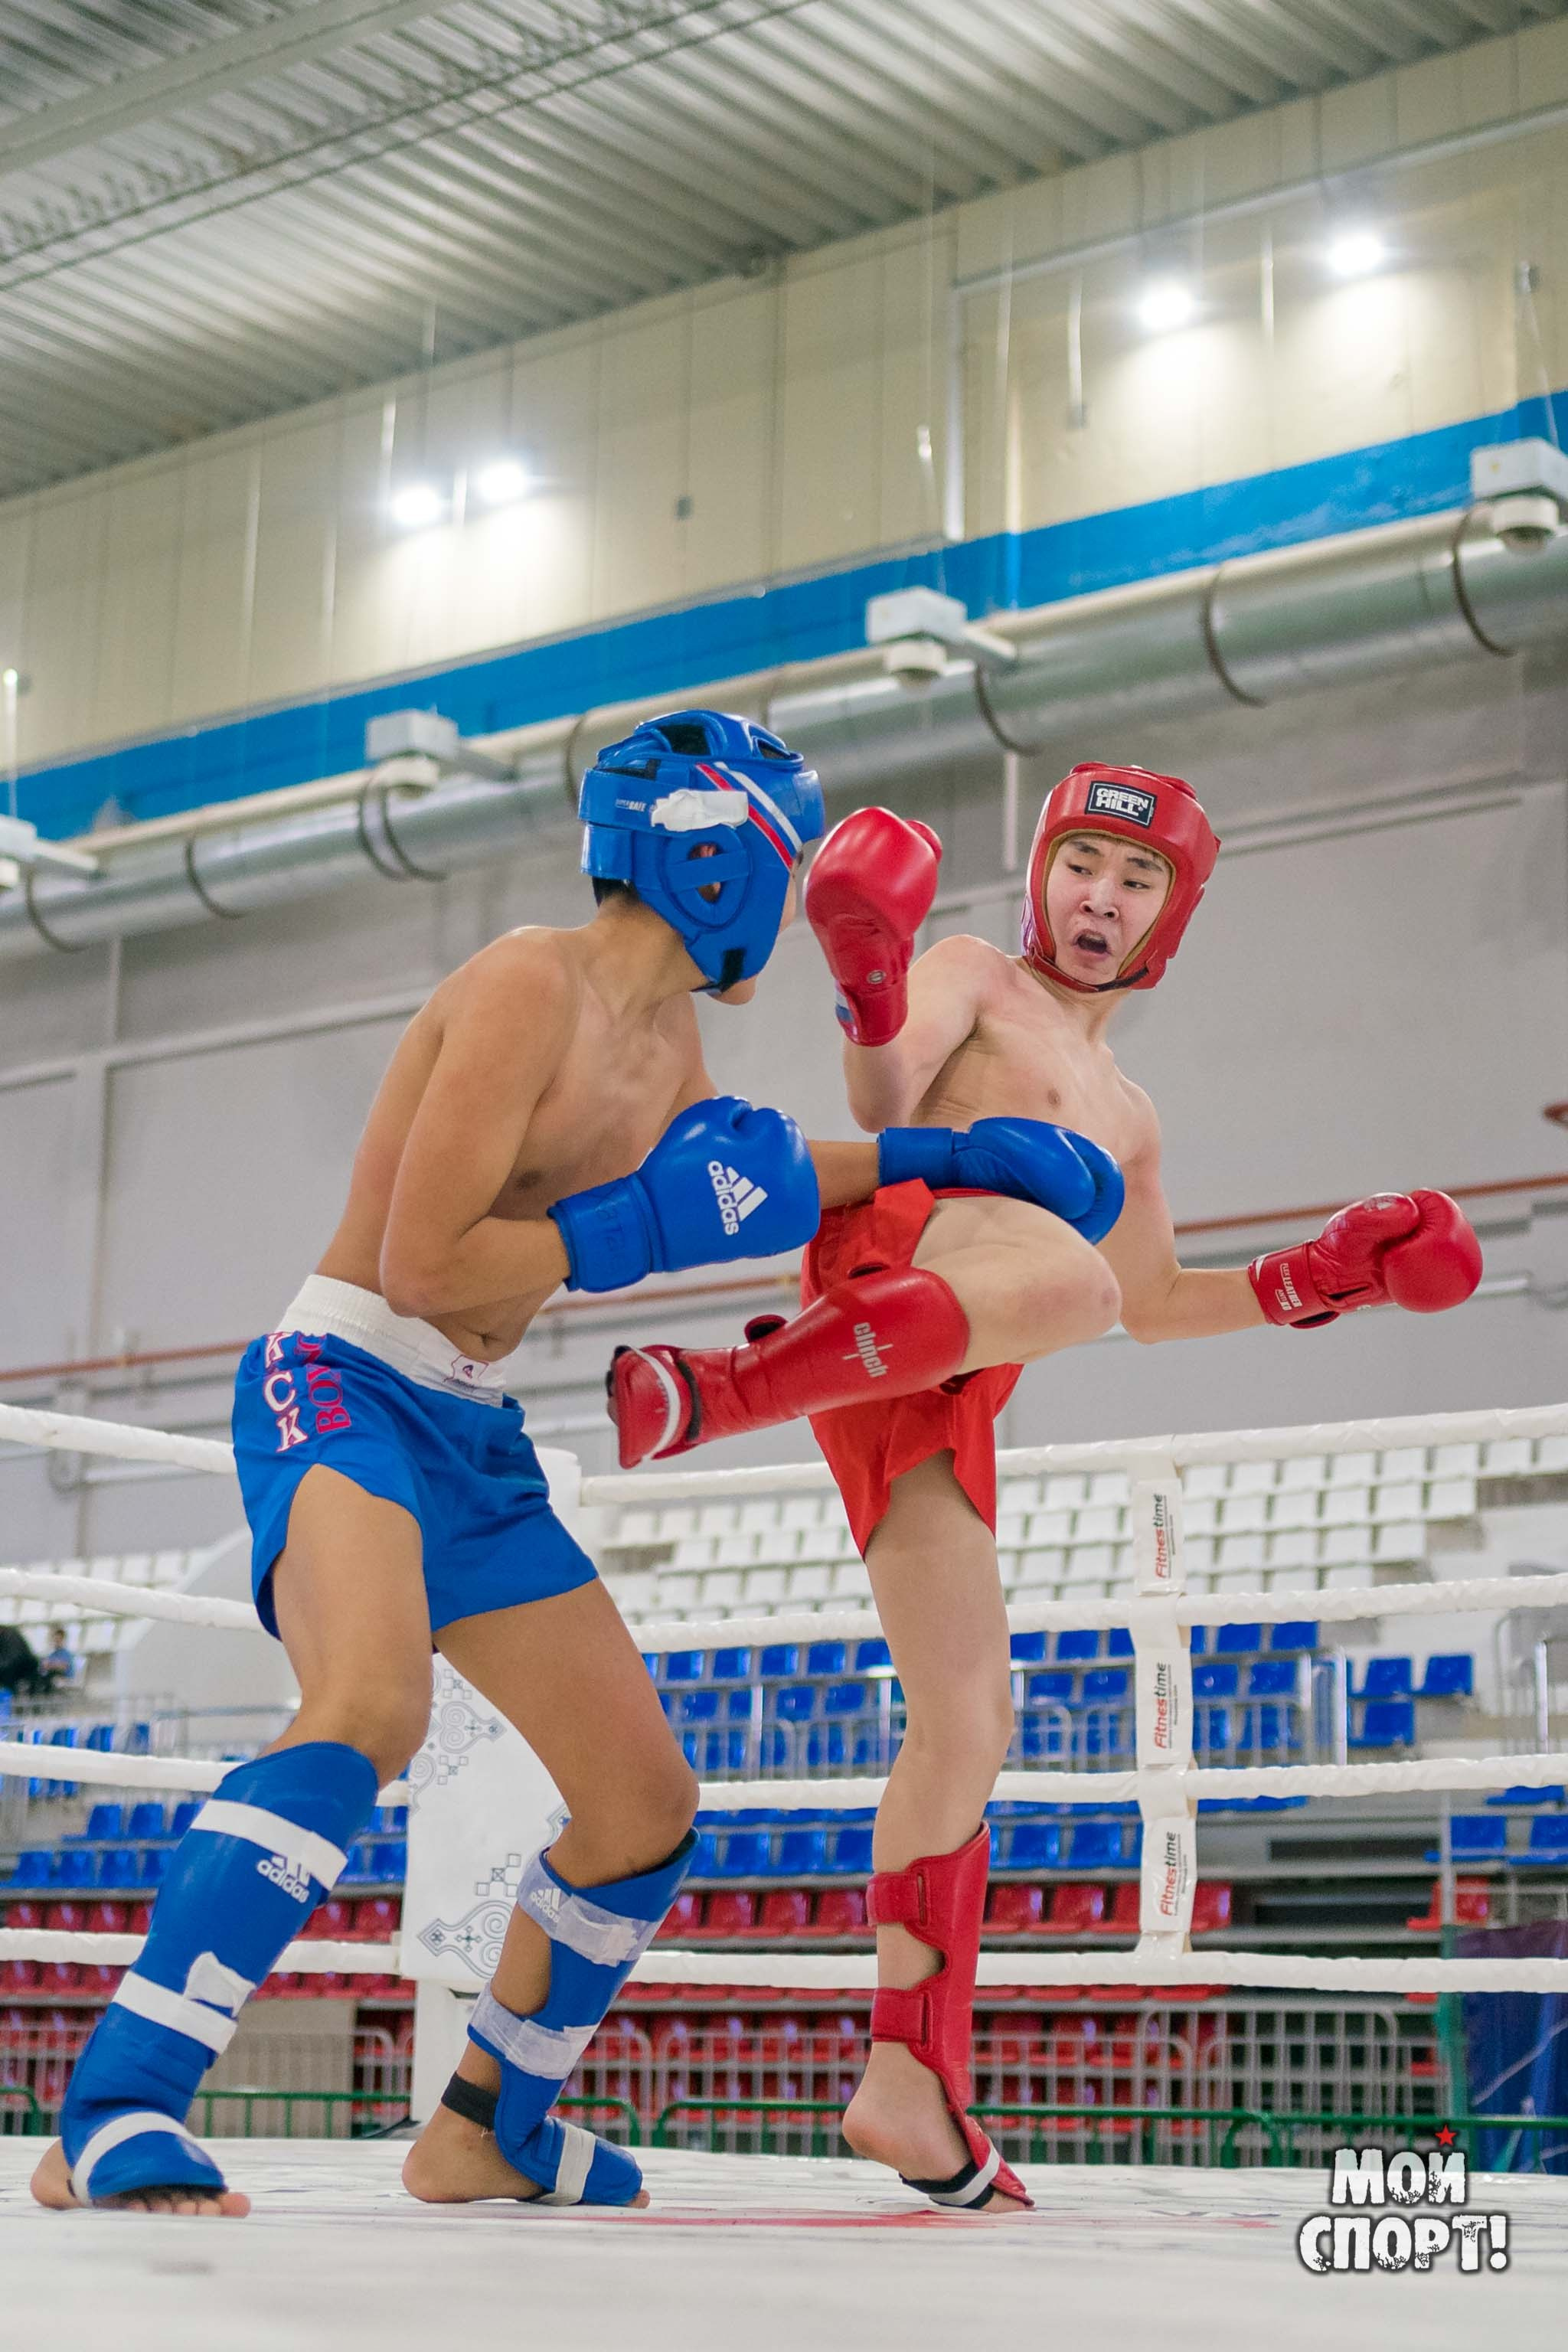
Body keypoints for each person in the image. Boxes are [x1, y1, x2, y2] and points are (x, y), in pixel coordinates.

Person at [31, 710, 1113, 2221]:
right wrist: (635, 1229)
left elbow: (753, 1178)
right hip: (342, 1378)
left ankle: (485, 2128)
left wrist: (948, 1159)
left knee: (643, 1804)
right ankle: (115, 2109)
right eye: (786, 861)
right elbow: (425, 1263)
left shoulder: (670, 1044)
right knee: (370, 1706)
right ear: (722, 860)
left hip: (470, 1435)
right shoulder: (525, 984)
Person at [609, 761, 1483, 2213]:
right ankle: (720, 1389)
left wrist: (1321, 1279)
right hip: (893, 1262)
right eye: (1081, 862)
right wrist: (871, 976)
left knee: (969, 1720)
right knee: (1067, 1276)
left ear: (1168, 917)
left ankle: (909, 2081)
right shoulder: (972, 974)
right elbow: (883, 1094)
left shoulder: (1128, 1113)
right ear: (1041, 876)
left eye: (1136, 879)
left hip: (946, 1371)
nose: (1101, 895)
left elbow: (1152, 1302)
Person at [41, 1625, 77, 1692]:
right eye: (55, 1640)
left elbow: (63, 1667)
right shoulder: (53, 1654)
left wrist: (50, 1665)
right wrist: (50, 1665)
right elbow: (44, 1665)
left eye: (58, 1640)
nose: (56, 1642)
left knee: (51, 1680)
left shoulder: (67, 1654)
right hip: (53, 1677)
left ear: (63, 1640)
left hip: (65, 1678)